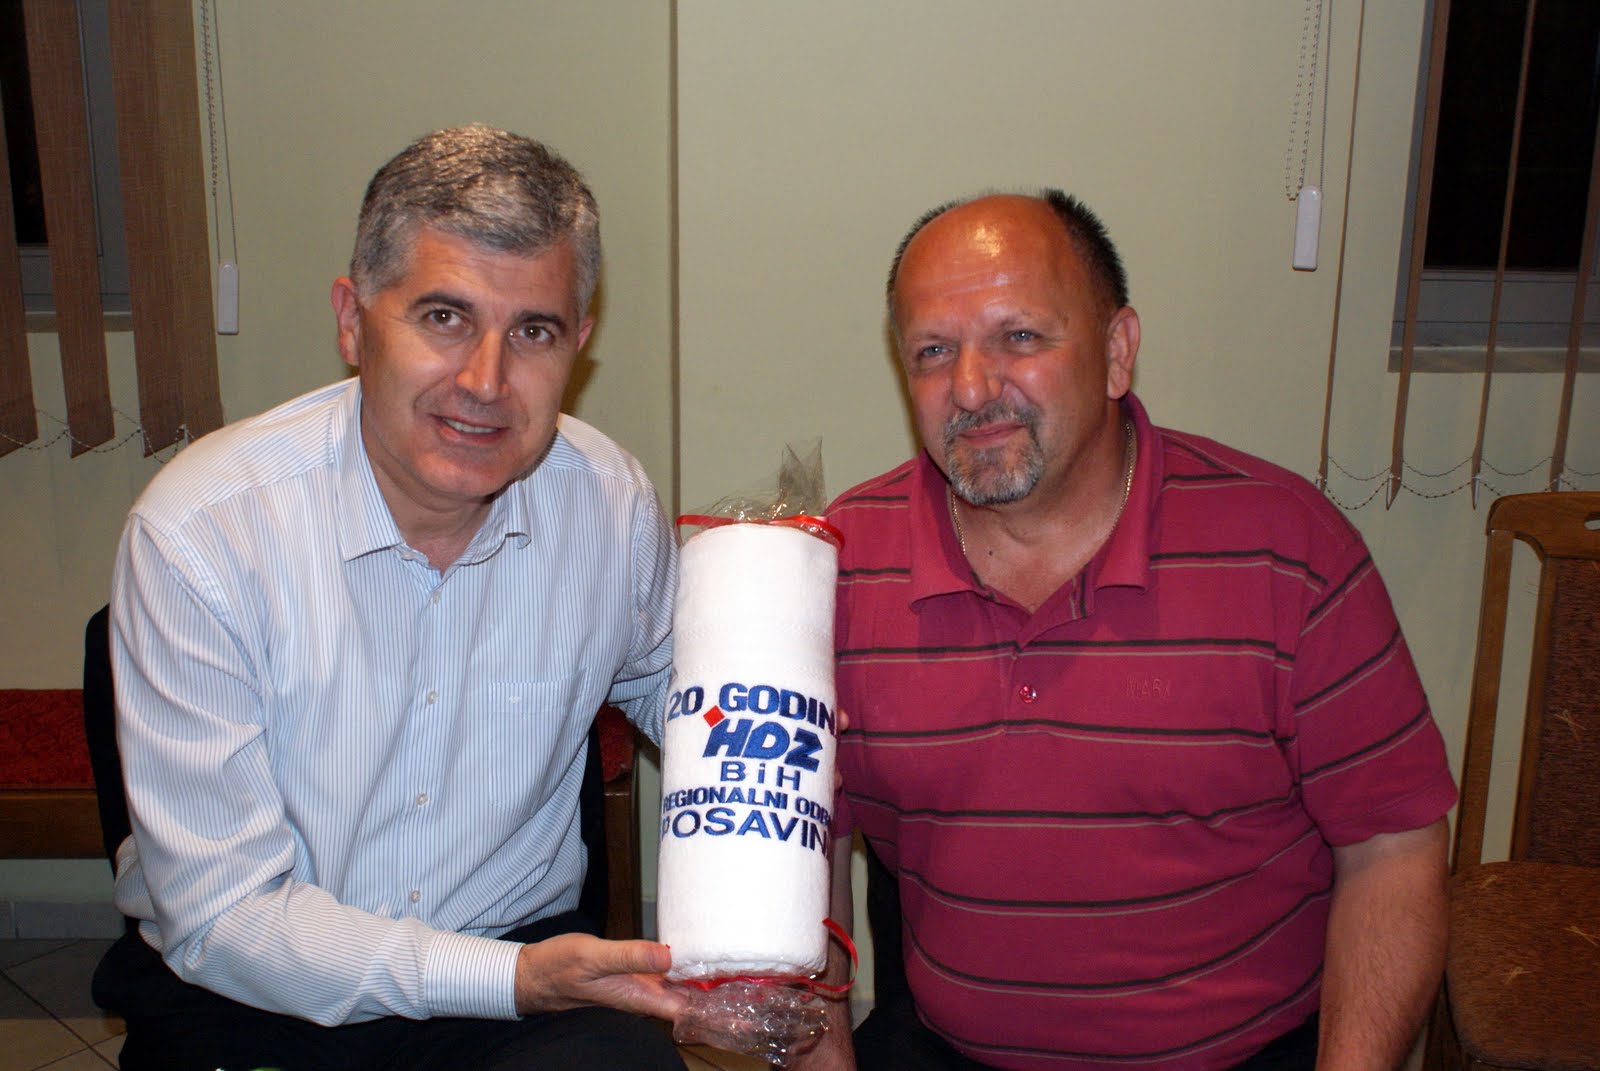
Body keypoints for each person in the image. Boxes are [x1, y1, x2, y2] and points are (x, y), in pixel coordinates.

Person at [800, 192, 1456, 1070]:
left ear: (1117, 352)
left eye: (1019, 337)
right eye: (933, 351)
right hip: (946, 1049)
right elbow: (798, 854)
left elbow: (1394, 848)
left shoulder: (1287, 551)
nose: (972, 388)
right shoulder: (835, 566)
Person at [92, 126, 693, 1070]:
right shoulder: (204, 532)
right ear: (352, 320)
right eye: (444, 317)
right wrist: (506, 978)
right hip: (251, 986)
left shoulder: (607, 503)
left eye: (532, 331)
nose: (486, 381)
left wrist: (784, 736)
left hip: (516, 973)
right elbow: (222, 915)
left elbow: (674, 686)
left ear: (579, 343)